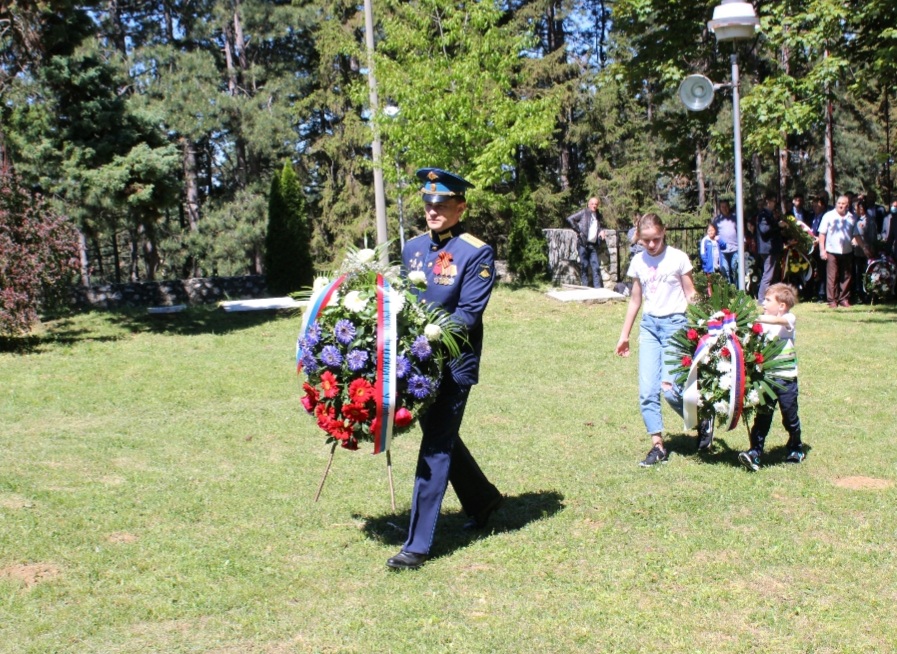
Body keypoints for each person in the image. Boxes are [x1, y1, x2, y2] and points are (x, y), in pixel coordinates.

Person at [387, 168, 503, 571]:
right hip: (415, 365)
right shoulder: (413, 249)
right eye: (428, 203)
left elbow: (468, 314)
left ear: (460, 207)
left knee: (435, 446)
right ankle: (484, 498)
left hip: (452, 364)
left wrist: (427, 337)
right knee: (442, 437)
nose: (433, 211)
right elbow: (401, 303)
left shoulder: (476, 252)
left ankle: (417, 545)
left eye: (442, 204)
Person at [615, 213, 712, 466]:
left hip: (675, 326)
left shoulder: (678, 258)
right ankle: (657, 446)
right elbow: (636, 299)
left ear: (664, 232)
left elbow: (691, 294)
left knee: (670, 390)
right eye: (646, 240)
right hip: (649, 328)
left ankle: (702, 420)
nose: (651, 245)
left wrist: (712, 316)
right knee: (647, 391)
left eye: (655, 239)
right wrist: (624, 335)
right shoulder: (638, 261)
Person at [738, 283, 805, 471]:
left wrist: (756, 318)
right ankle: (755, 452)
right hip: (766, 379)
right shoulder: (764, 325)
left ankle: (795, 446)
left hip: (786, 380)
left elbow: (778, 322)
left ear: (782, 306)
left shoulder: (789, 319)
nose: (763, 303)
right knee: (762, 416)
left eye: (768, 300)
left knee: (789, 417)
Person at [817, 195, 872, 308]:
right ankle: (832, 300)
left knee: (846, 276)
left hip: (847, 251)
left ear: (847, 205)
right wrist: (822, 250)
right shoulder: (828, 216)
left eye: (843, 204)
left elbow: (856, 235)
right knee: (832, 276)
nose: (841, 205)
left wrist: (864, 248)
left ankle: (844, 299)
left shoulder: (852, 217)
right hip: (832, 251)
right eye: (839, 203)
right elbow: (822, 234)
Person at [566, 196, 607, 288]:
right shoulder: (584, 212)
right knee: (584, 266)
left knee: (595, 267)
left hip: (593, 245)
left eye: (596, 204)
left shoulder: (598, 215)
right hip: (583, 244)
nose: (594, 206)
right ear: (588, 204)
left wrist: (602, 231)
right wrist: (578, 231)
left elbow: (600, 226)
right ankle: (585, 288)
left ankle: (598, 290)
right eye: (592, 204)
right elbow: (570, 219)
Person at [755, 193, 784, 301]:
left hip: (772, 248)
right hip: (768, 249)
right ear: (768, 202)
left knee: (771, 274)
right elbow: (764, 230)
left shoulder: (769, 214)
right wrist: (778, 225)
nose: (774, 204)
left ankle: (768, 297)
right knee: (768, 275)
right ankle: (761, 298)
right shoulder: (763, 215)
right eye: (773, 202)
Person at [712, 199, 739, 285]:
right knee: (725, 271)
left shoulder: (735, 218)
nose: (725, 208)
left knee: (736, 270)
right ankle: (729, 292)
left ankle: (738, 291)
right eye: (722, 207)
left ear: (729, 206)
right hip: (722, 250)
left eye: (726, 206)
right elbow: (712, 232)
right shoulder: (717, 220)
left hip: (735, 248)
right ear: (720, 208)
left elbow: (741, 231)